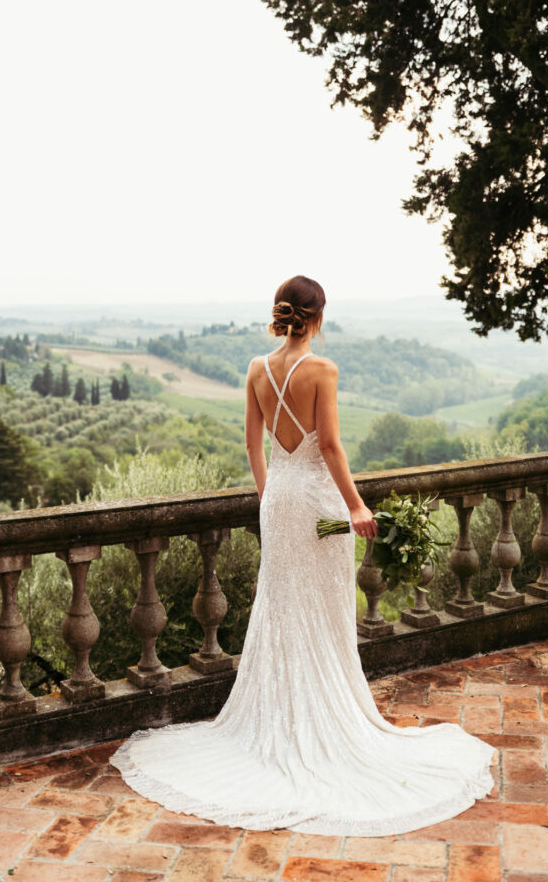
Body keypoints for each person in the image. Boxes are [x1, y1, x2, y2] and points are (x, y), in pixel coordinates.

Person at [110, 275, 497, 835]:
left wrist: (269, 494)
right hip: (318, 501)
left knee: (283, 601)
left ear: (281, 314)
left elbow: (252, 442)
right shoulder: (323, 370)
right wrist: (358, 506)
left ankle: (281, 716)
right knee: (322, 606)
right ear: (317, 317)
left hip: (280, 498)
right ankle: (320, 719)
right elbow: (333, 446)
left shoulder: (254, 368)